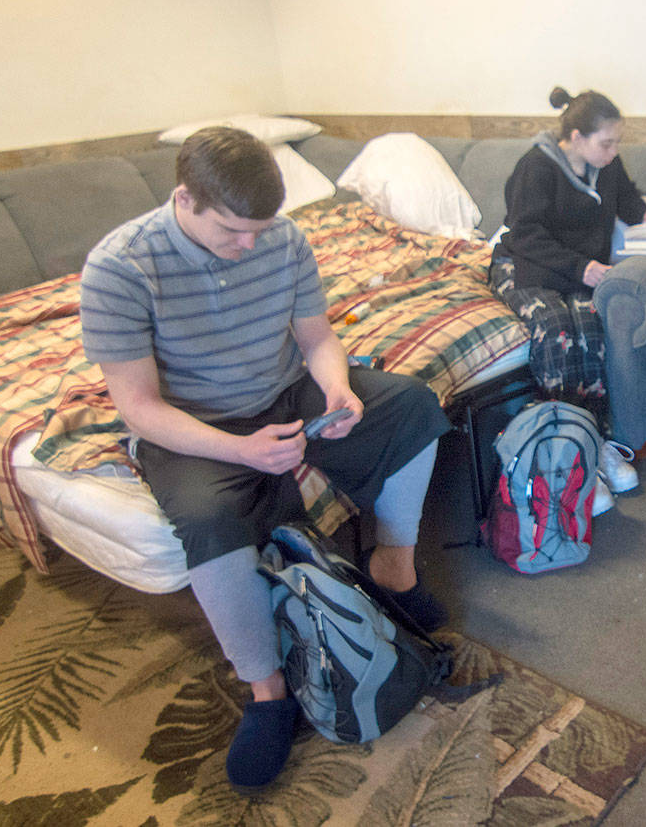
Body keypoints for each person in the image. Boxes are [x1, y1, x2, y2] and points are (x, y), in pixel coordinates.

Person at [79, 127, 452, 790]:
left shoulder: (282, 238)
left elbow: (316, 337)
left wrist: (337, 385)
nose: (250, 244)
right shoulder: (120, 267)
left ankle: (392, 568)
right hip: (190, 422)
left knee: (414, 407)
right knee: (209, 519)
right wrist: (237, 450)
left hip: (284, 388)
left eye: (260, 229)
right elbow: (137, 407)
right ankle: (268, 691)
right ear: (184, 200)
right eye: (231, 232)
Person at [490, 86, 646, 501]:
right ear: (576, 138)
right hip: (526, 265)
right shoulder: (537, 167)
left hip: (578, 271)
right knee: (557, 328)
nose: (614, 151)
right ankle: (567, 453)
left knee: (592, 328)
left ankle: (595, 444)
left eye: (617, 142)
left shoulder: (607, 166)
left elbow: (631, 205)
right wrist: (582, 267)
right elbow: (524, 234)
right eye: (606, 142)